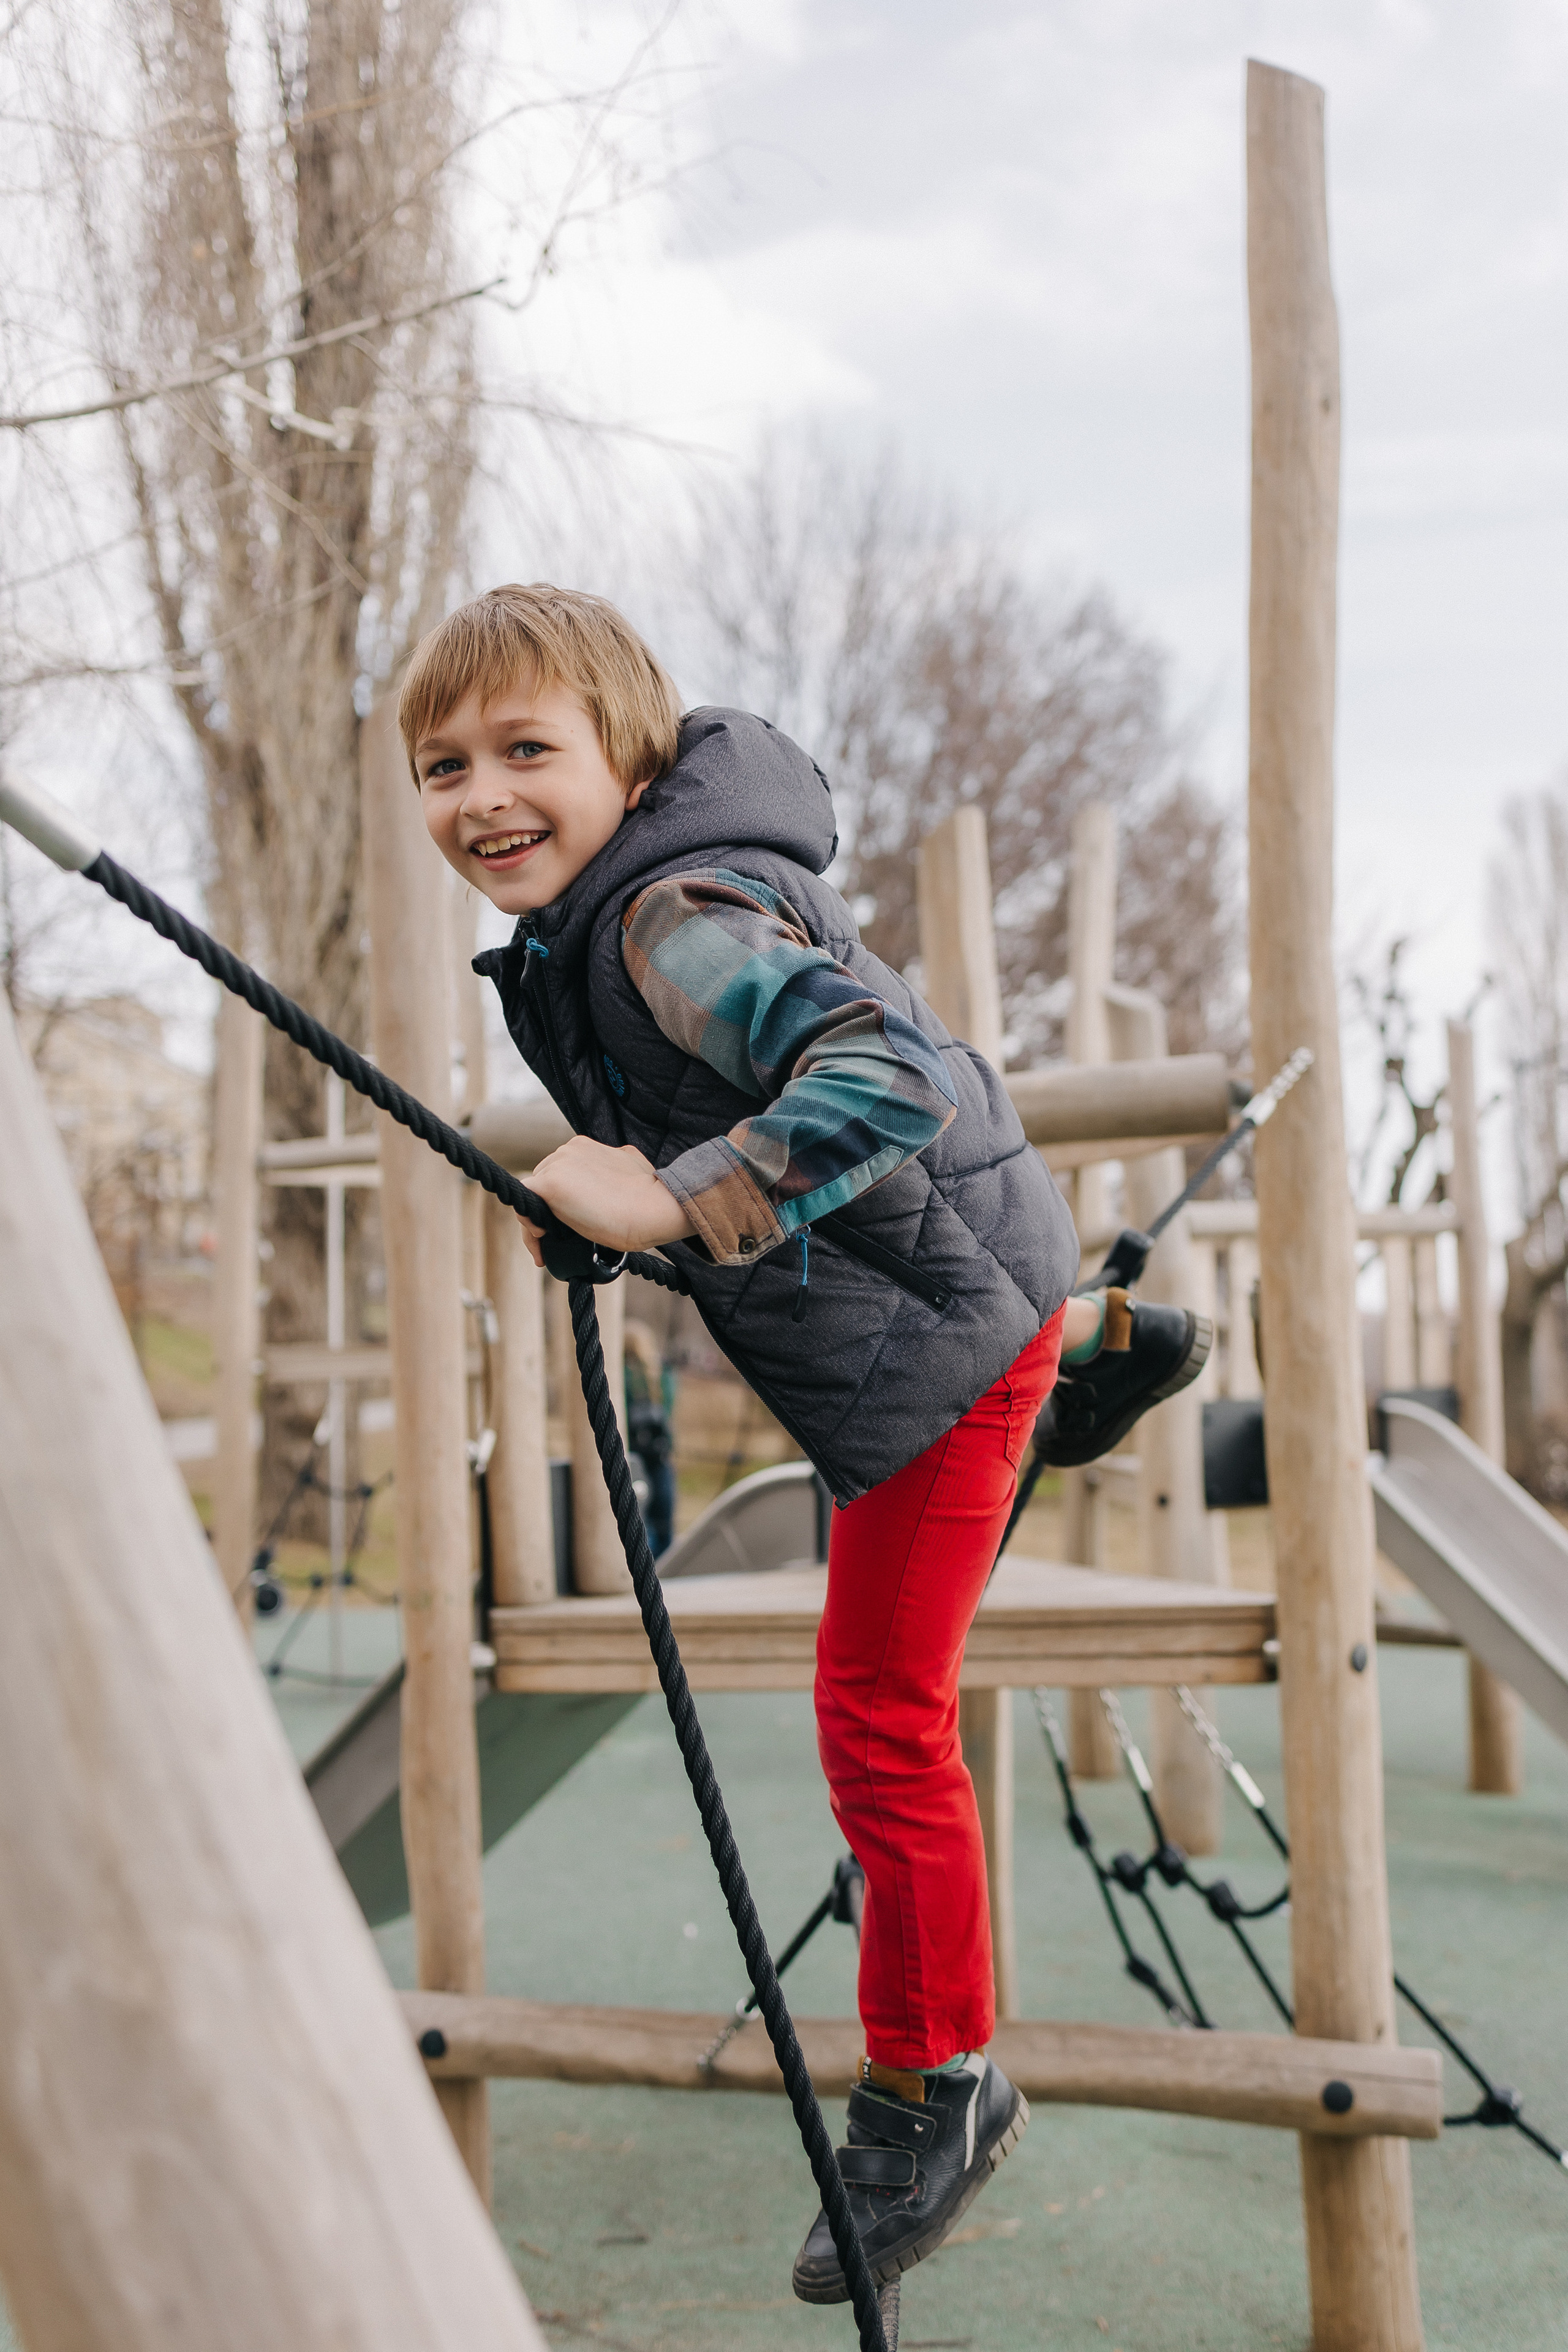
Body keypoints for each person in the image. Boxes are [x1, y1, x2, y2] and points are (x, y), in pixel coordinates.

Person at [401, 584, 1209, 2305]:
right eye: (442, 762)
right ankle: (1087, 1369)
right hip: (962, 1297)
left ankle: (942, 2078)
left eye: (526, 750)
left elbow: (882, 1073)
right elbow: (708, 1120)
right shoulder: (623, 912)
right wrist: (643, 1198)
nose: (482, 795)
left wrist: (680, 1190)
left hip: (930, 1357)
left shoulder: (663, 923)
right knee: (979, 1464)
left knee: (881, 1717)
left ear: (627, 759)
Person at [622, 1316, 676, 1557]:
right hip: (660, 1453)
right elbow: (669, 1407)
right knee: (662, 1516)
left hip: (634, 1452)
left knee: (640, 1516)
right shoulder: (661, 1376)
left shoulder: (621, 1376)